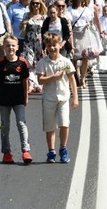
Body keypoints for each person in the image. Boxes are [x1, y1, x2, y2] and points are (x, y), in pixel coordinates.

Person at [0, 35, 32, 165]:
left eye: (13, 45)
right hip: (4, 101)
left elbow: (25, 81)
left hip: (18, 100)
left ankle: (26, 151)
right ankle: (7, 153)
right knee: (4, 126)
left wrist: (26, 97)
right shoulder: (0, 63)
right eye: (7, 45)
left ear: (17, 47)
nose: (10, 47)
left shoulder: (22, 62)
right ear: (4, 48)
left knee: (21, 124)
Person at [36, 33, 79, 164]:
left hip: (64, 98)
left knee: (64, 124)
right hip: (49, 98)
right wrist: (53, 77)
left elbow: (72, 80)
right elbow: (40, 80)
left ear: (60, 45)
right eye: (49, 46)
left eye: (54, 45)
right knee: (50, 127)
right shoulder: (43, 62)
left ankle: (63, 148)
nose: (52, 48)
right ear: (46, 47)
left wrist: (75, 98)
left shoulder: (65, 62)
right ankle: (51, 151)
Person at [19, 0, 48, 93]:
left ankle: (39, 84)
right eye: (33, 3)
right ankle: (30, 84)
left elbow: (46, 31)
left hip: (40, 43)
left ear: (40, 5)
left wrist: (45, 45)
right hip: (29, 42)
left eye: (37, 3)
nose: (35, 5)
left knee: (40, 63)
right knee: (29, 63)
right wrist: (24, 23)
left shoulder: (44, 17)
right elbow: (20, 28)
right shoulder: (27, 15)